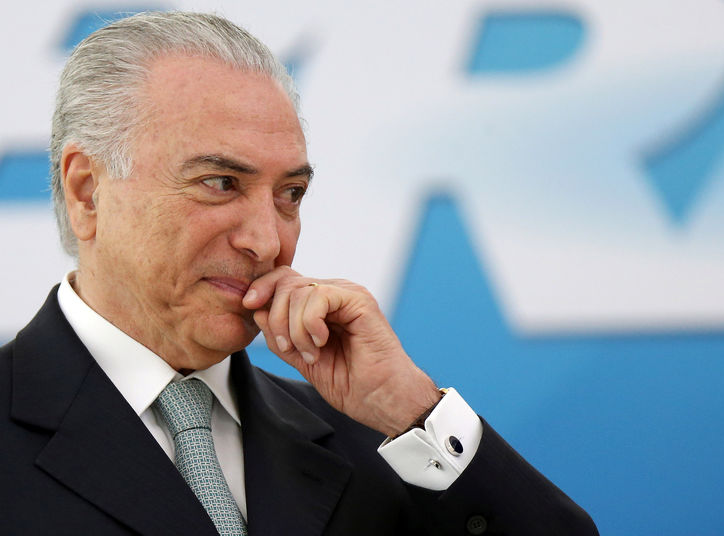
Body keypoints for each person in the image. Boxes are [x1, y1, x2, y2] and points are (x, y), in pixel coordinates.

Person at [0, 11, 597, 535]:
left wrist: (411, 409)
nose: (266, 240)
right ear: (87, 192)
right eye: (220, 183)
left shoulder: (381, 438)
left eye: (290, 194)